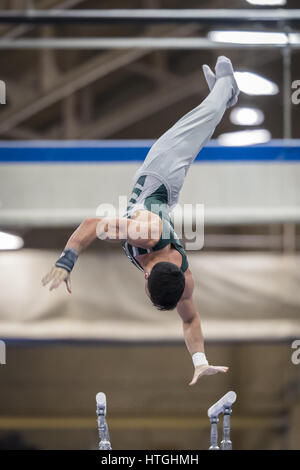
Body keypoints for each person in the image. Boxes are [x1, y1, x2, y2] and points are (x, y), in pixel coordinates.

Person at [42, 56, 240, 386]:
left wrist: (200, 360)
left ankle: (222, 95)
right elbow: (92, 223)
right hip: (160, 173)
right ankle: (227, 87)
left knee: (196, 136)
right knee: (189, 131)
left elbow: (189, 320)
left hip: (165, 200)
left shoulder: (182, 283)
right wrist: (66, 261)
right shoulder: (145, 235)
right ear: (148, 279)